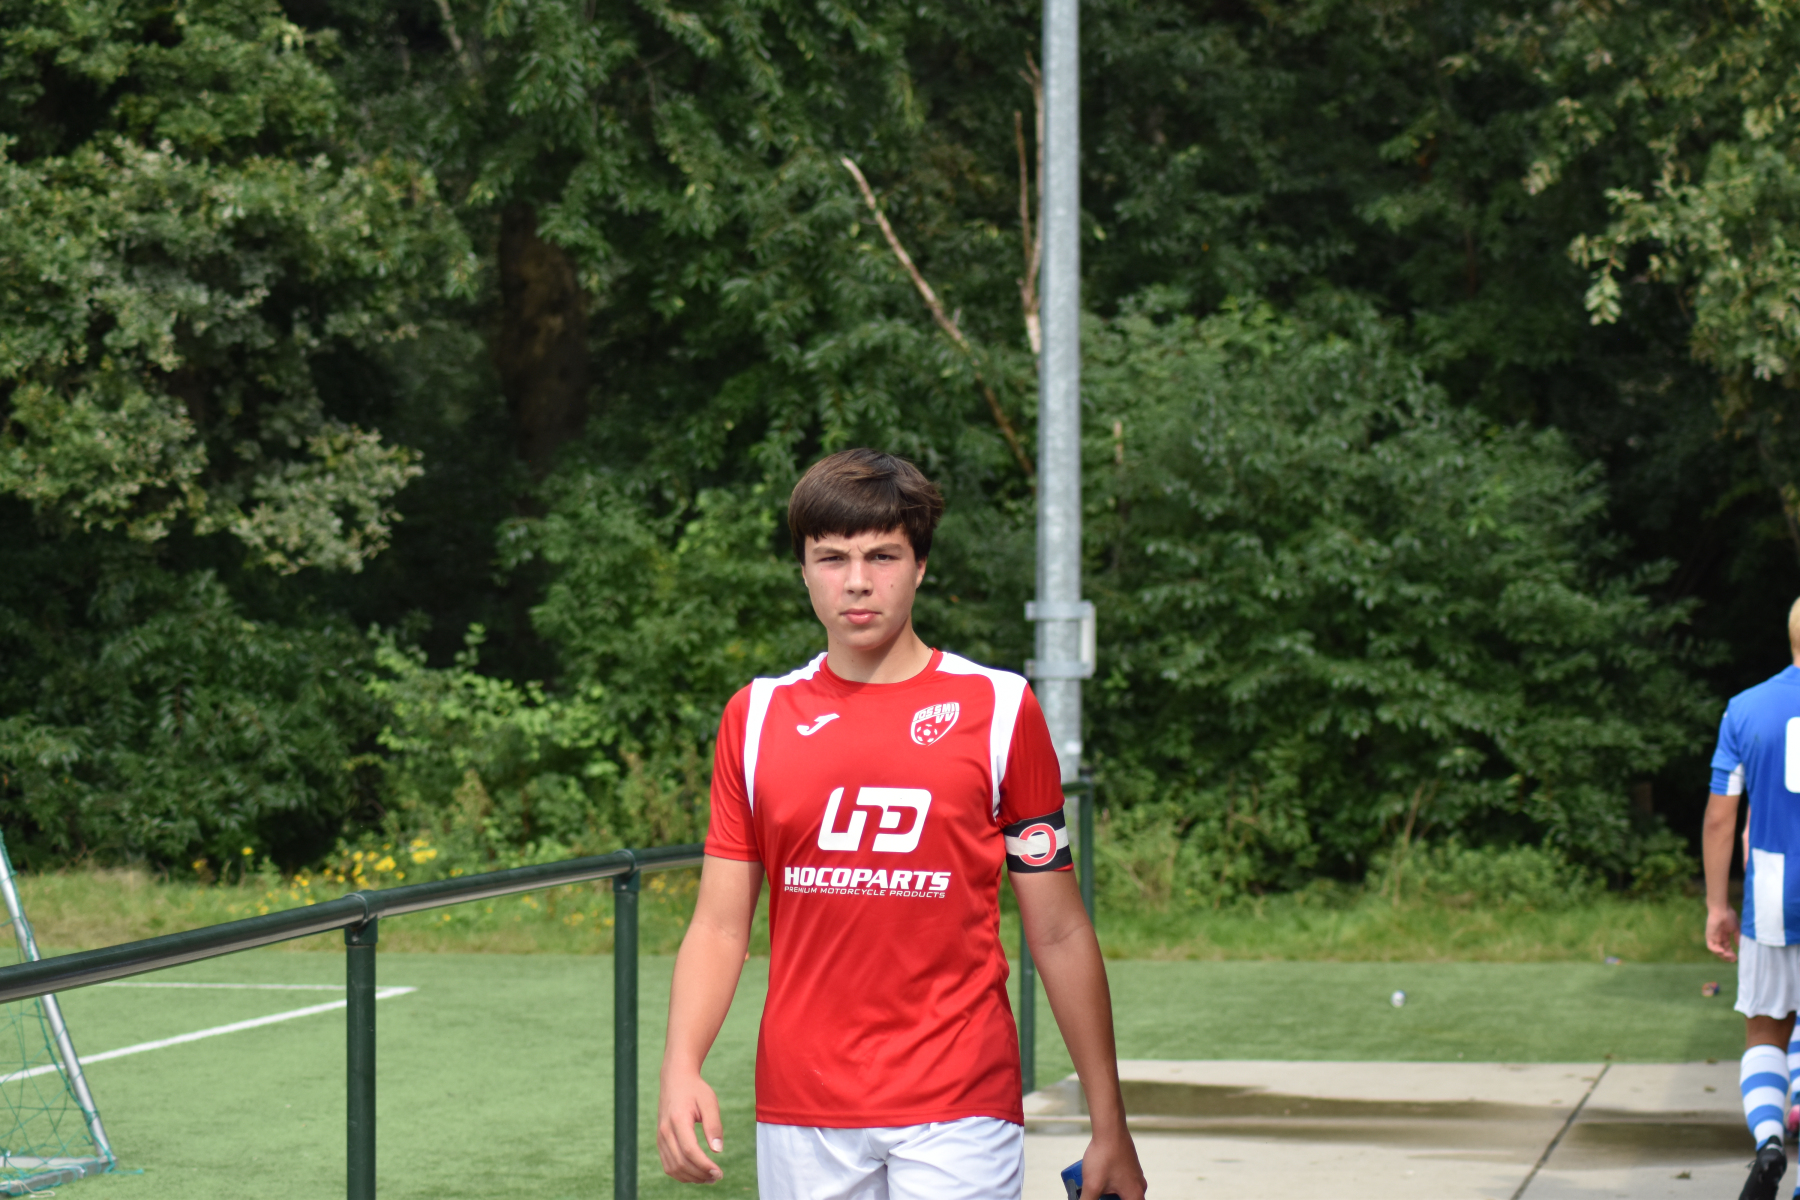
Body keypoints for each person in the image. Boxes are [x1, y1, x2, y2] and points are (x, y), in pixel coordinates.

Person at [654, 448, 1147, 1200]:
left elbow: (1058, 931)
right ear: (803, 570)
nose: (857, 581)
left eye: (882, 556)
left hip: (961, 1098)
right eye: (832, 558)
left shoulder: (1000, 709)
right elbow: (720, 927)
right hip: (803, 1103)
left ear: (920, 566)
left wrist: (1109, 1122)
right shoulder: (754, 718)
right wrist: (680, 1066)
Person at [1705, 597, 1800, 1200]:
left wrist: (1718, 905)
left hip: (1772, 895)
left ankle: (1768, 1140)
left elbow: (1721, 818)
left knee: (1766, 1030)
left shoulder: (1745, 707)